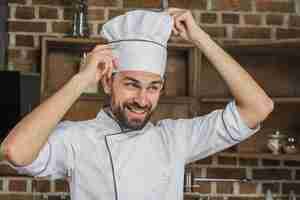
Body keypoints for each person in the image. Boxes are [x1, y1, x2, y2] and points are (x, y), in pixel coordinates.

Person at [0, 8, 273, 200]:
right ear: (108, 82)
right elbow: (15, 151)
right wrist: (81, 80)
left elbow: (259, 107)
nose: (143, 100)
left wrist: (201, 39)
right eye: (131, 84)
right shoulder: (77, 139)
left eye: (153, 87)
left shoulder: (175, 138)